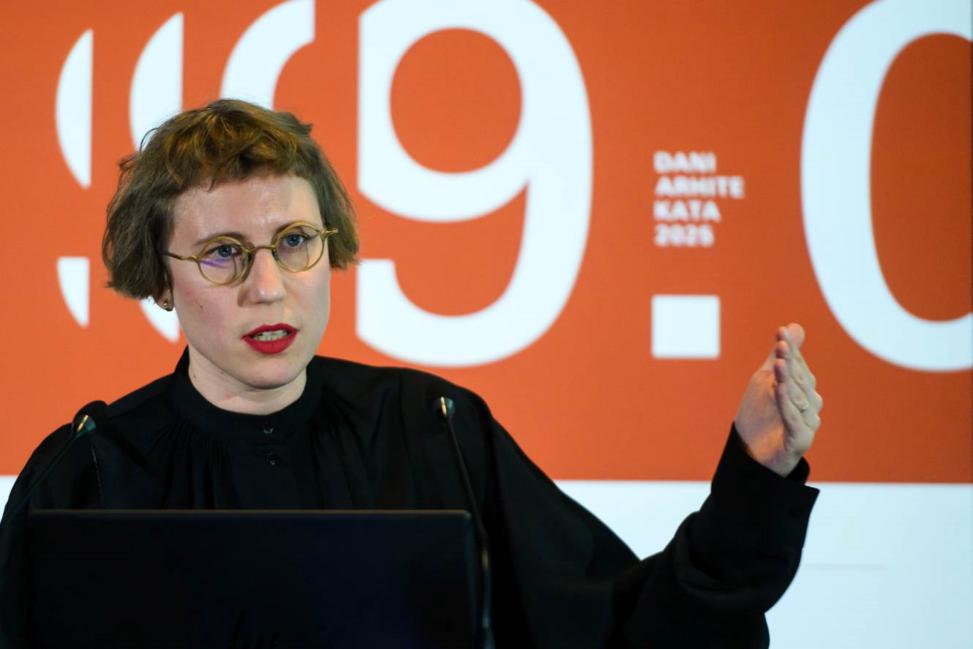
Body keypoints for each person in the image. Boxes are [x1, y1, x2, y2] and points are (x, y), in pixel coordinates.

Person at [0, 99, 822, 648]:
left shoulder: (434, 430)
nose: (268, 286)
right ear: (160, 276)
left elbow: (626, 629)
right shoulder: (87, 473)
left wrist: (754, 478)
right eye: (223, 253)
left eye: (294, 241)